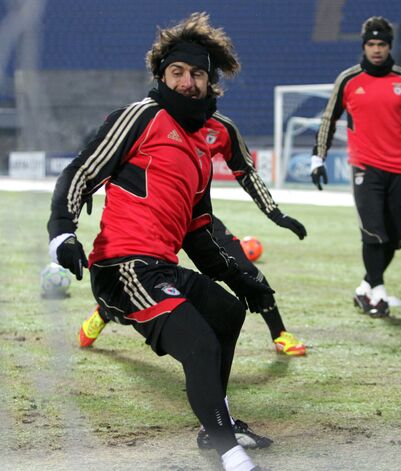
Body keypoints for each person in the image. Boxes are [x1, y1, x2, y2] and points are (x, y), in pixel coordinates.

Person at [48, 12, 270, 471]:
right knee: (200, 345)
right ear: (162, 76)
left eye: (197, 74)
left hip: (160, 268)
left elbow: (197, 233)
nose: (187, 82)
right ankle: (229, 452)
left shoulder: (201, 149)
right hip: (123, 267)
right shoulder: (143, 116)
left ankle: (217, 423)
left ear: (209, 82)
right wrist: (62, 233)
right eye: (178, 72)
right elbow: (82, 171)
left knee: (227, 313)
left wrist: (241, 279)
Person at [79, 111, 308, 357]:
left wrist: (275, 213)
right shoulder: (154, 116)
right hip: (155, 215)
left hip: (197, 219)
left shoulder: (223, 128)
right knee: (146, 285)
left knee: (246, 270)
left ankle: (279, 334)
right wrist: (86, 185)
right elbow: (112, 151)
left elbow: (246, 171)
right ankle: (106, 311)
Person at [310, 16, 401, 318]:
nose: (377, 49)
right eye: (371, 44)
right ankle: (379, 294)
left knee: (396, 238)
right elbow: (329, 119)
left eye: (381, 44)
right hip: (364, 167)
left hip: (399, 167)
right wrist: (318, 157)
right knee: (373, 233)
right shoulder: (348, 80)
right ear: (364, 46)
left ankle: (365, 287)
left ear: (389, 46)